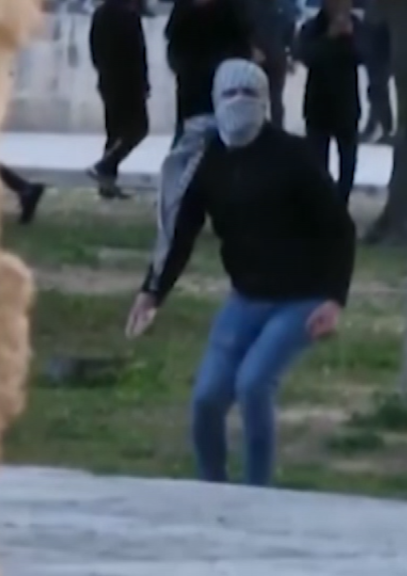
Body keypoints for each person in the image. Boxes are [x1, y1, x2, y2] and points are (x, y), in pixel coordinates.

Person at [125, 59, 357, 487]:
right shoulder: (210, 158)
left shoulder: (292, 155)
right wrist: (153, 291)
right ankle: (212, 486)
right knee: (207, 398)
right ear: (216, 101)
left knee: (253, 384)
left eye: (249, 94)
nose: (239, 103)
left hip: (301, 297)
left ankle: (257, 490)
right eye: (229, 94)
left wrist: (334, 299)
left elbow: (340, 229)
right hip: (247, 296)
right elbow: (183, 231)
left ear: (265, 101)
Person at [296, 0, 362, 202]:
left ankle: (342, 204)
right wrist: (329, 38)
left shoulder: (358, 27)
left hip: (347, 106)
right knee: (317, 166)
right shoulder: (312, 28)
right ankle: (321, 206)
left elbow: (367, 55)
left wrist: (351, 37)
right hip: (318, 106)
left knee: (348, 164)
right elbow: (305, 55)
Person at [164, 0, 254, 145]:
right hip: (192, 81)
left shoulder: (230, 8)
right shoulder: (185, 7)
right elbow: (173, 37)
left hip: (222, 81)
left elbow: (243, 38)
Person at [87, 0, 151, 199]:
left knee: (114, 132)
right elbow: (137, 54)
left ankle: (107, 184)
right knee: (138, 128)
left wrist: (103, 71)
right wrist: (143, 82)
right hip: (129, 82)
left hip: (108, 79)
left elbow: (94, 49)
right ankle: (105, 166)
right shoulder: (129, 16)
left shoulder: (100, 14)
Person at [238, 0, 299, 129]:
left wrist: (291, 54)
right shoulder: (249, 5)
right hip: (255, 59)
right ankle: (254, 130)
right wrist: (251, 48)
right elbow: (242, 28)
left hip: (277, 58)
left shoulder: (283, 5)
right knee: (254, 99)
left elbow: (290, 30)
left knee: (276, 99)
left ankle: (278, 131)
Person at [357, 0, 393, 143]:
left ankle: (381, 125)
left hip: (379, 35)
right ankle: (380, 124)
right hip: (374, 35)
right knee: (377, 86)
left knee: (378, 86)